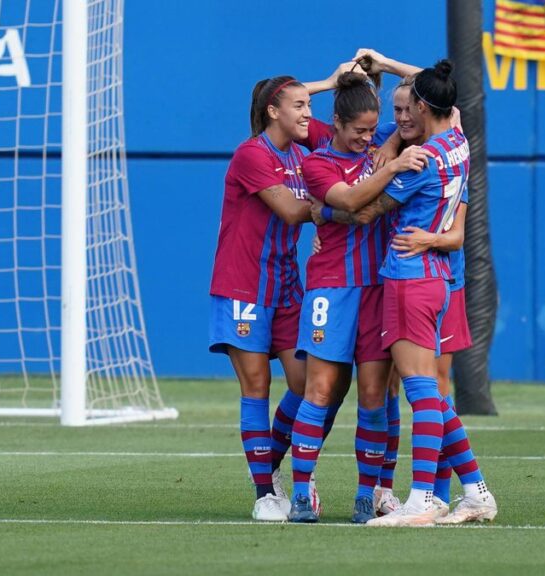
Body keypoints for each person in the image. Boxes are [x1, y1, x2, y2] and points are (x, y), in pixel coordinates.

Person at [313, 60, 496, 527]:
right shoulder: (458, 143)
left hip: (408, 277)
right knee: (431, 391)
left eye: (407, 105)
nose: (402, 115)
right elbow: (443, 98)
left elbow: (365, 207)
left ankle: (422, 499)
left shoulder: (423, 161)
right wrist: (395, 139)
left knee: (421, 390)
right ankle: (473, 491)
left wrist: (323, 212)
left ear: (420, 105)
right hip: (437, 277)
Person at [209, 64, 353, 521]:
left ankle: (271, 467)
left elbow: (353, 133)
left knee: (310, 386)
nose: (310, 113)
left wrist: (330, 85)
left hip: (287, 284)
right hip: (243, 285)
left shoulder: (302, 145)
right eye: (300, 106)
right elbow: (292, 212)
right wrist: (339, 201)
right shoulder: (251, 154)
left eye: (310, 105)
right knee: (256, 386)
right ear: (273, 111)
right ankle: (264, 494)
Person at [290, 69, 427, 524]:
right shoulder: (317, 162)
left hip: (378, 289)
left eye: (374, 130)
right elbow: (349, 202)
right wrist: (388, 167)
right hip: (331, 289)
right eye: (358, 131)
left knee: (374, 395)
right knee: (321, 389)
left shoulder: (385, 140)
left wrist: (385, 64)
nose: (368, 138)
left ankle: (368, 494)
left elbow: (445, 100)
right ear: (337, 125)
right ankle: (299, 491)